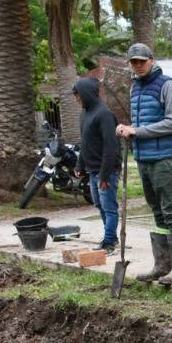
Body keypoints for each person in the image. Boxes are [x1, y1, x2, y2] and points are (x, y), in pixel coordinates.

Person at [116, 43, 172, 285]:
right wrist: (126, 130)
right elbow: (141, 123)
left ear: (152, 60)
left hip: (164, 160)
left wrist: (136, 130)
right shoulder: (135, 88)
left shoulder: (167, 85)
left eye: (141, 61)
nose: (137, 65)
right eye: (133, 62)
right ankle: (162, 265)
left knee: (171, 211)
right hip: (144, 159)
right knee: (157, 213)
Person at [74, 77, 121, 250]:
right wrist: (80, 165)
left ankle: (108, 242)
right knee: (100, 205)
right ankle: (111, 237)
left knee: (109, 207)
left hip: (105, 170)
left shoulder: (104, 114)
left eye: (77, 95)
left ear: (86, 94)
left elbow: (111, 147)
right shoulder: (85, 114)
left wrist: (105, 174)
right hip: (92, 170)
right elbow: (84, 142)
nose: (76, 98)